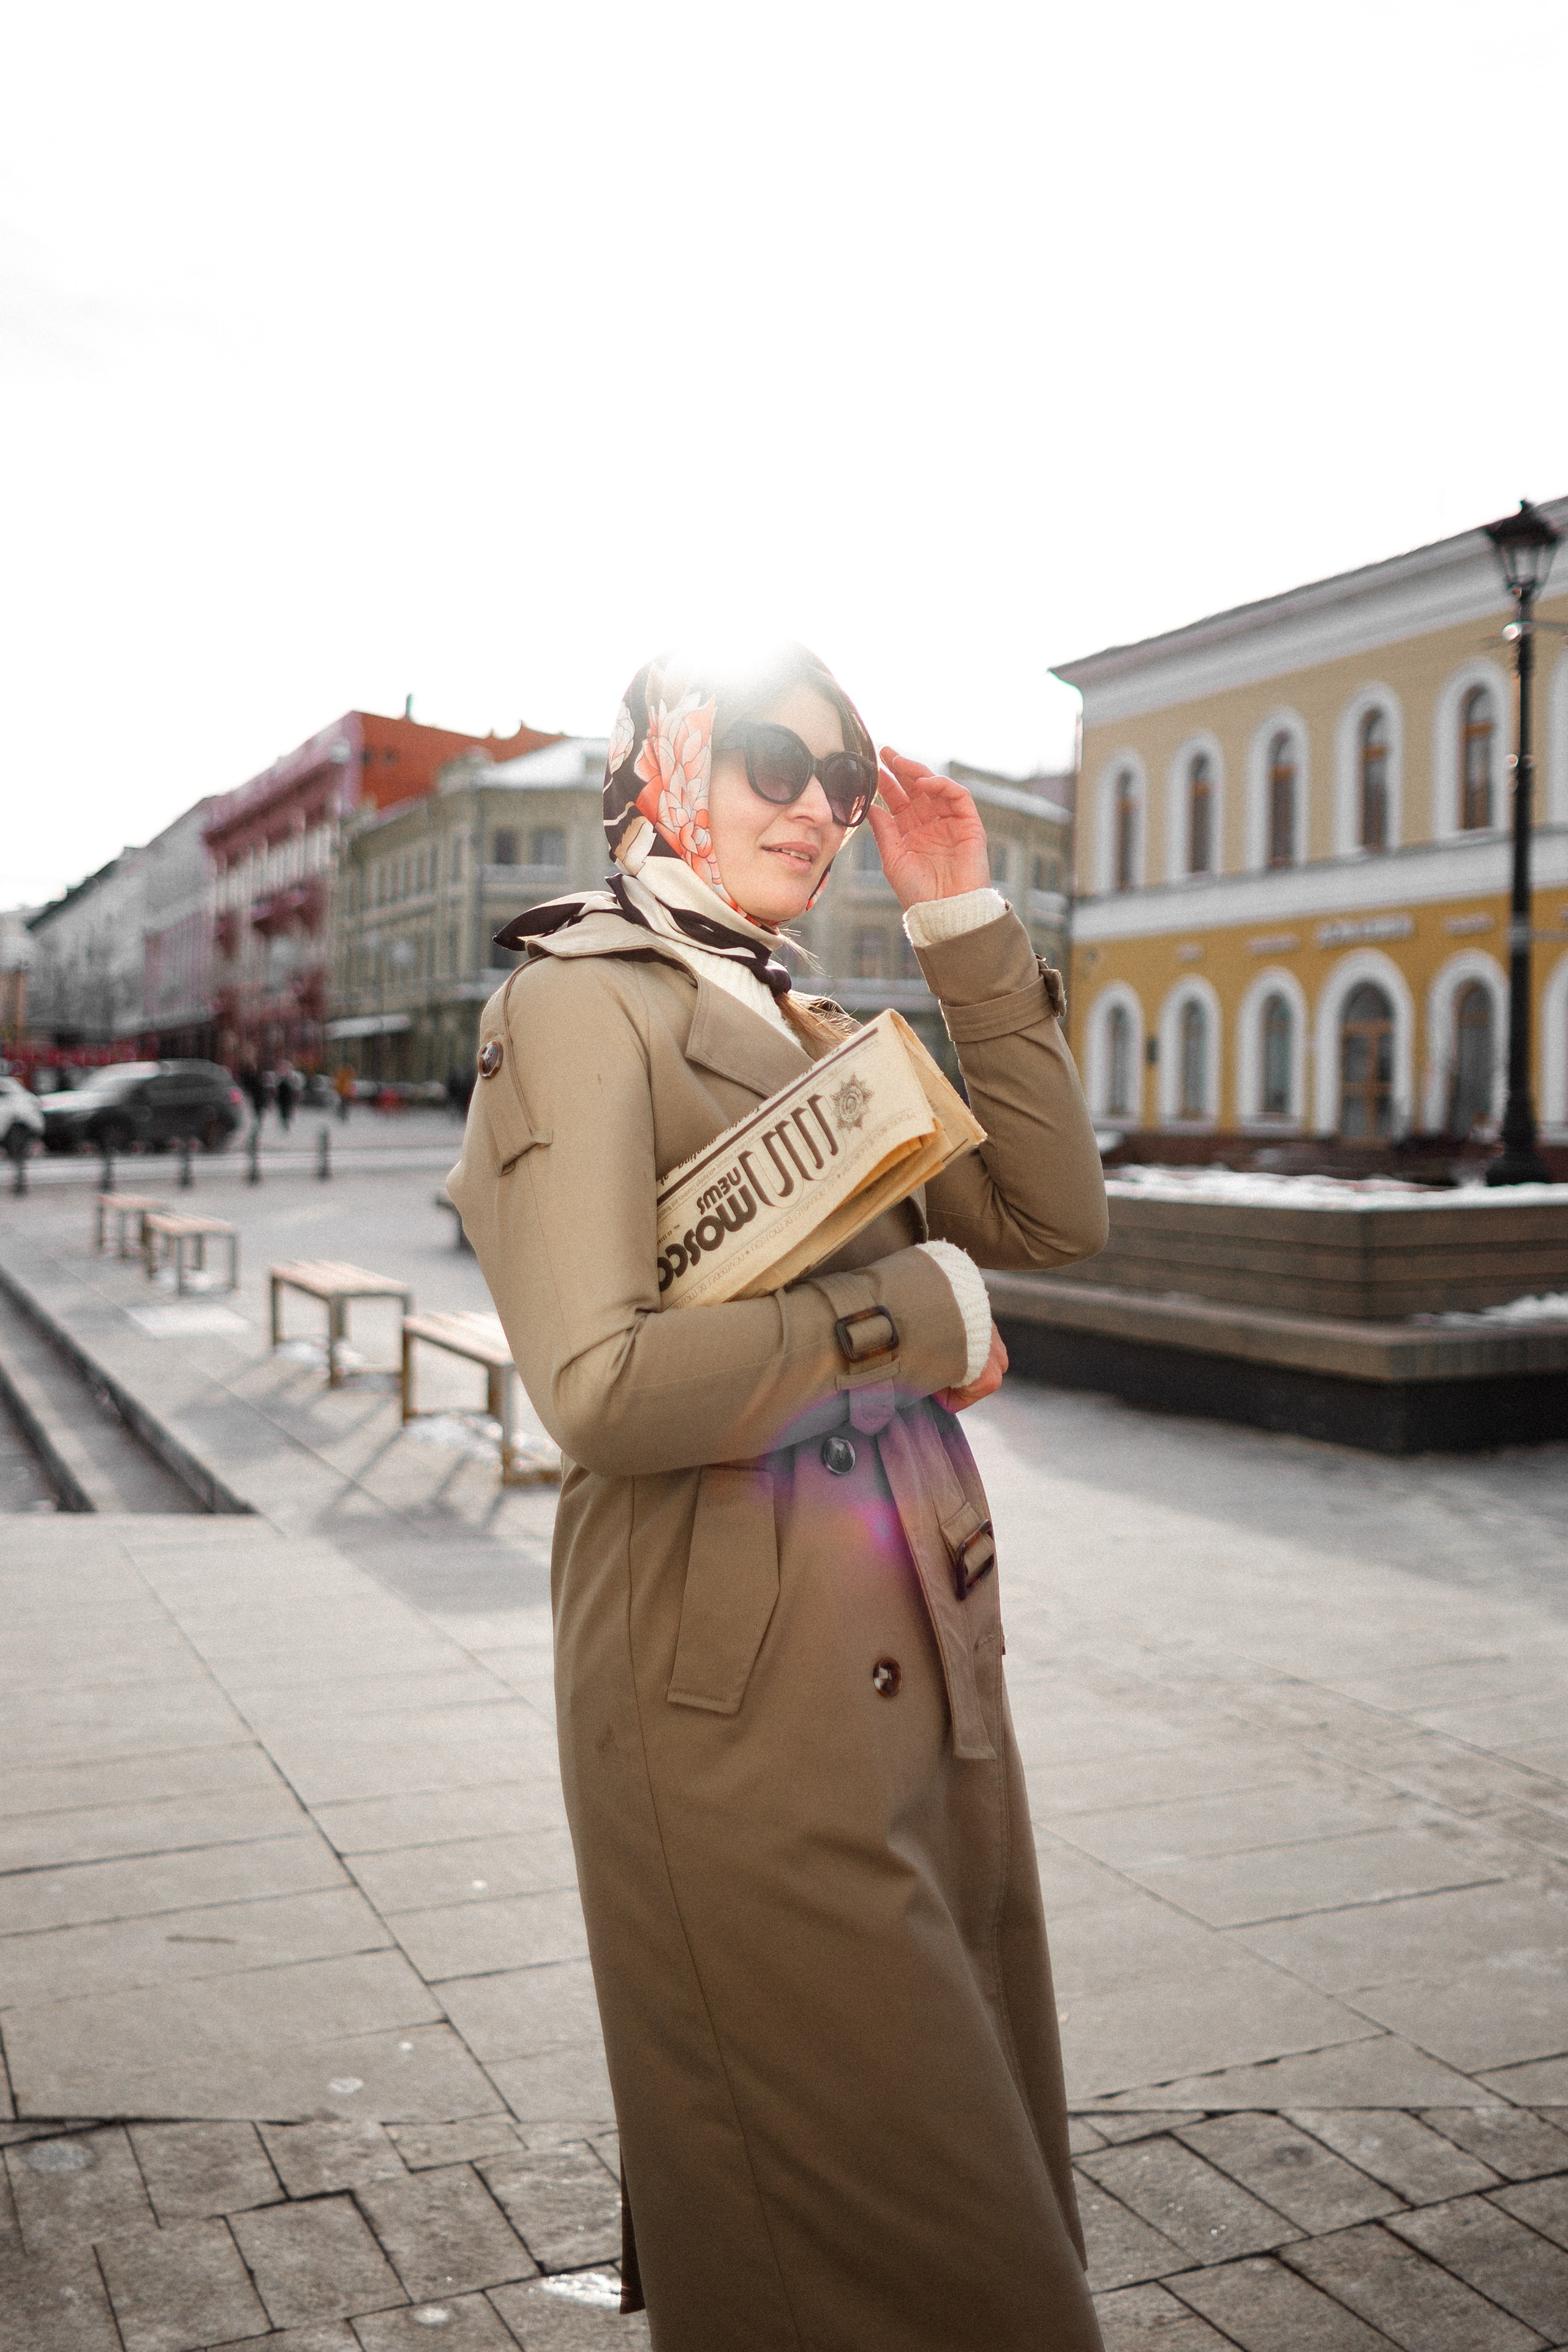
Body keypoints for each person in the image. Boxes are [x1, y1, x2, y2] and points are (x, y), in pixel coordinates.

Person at [448, 646, 1109, 2352]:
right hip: (732, 1700)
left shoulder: (810, 1014)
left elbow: (1050, 1217)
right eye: (770, 757)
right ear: (668, 762)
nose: (817, 805)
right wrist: (909, 1317)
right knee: (917, 2258)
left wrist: (963, 918)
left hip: (918, 1669)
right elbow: (593, 1386)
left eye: (843, 770)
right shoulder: (578, 999)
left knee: (925, 2224)